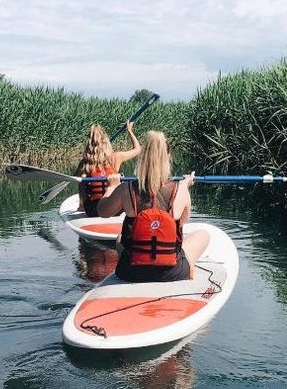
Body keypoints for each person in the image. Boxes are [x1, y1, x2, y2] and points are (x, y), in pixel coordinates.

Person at [95, 130, 210, 282]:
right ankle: (188, 268)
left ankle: (141, 266)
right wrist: (185, 186)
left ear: (142, 157)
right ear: (167, 157)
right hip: (171, 272)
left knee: (120, 238)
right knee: (204, 235)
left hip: (130, 272)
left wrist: (111, 187)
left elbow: (102, 211)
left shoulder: (125, 189)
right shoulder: (180, 190)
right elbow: (181, 223)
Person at [75, 120, 141, 215]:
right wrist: (129, 131)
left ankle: (81, 206)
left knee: (82, 182)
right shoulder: (115, 157)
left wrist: (82, 205)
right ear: (106, 142)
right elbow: (138, 149)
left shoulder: (85, 163)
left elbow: (80, 184)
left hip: (93, 210)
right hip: (114, 209)